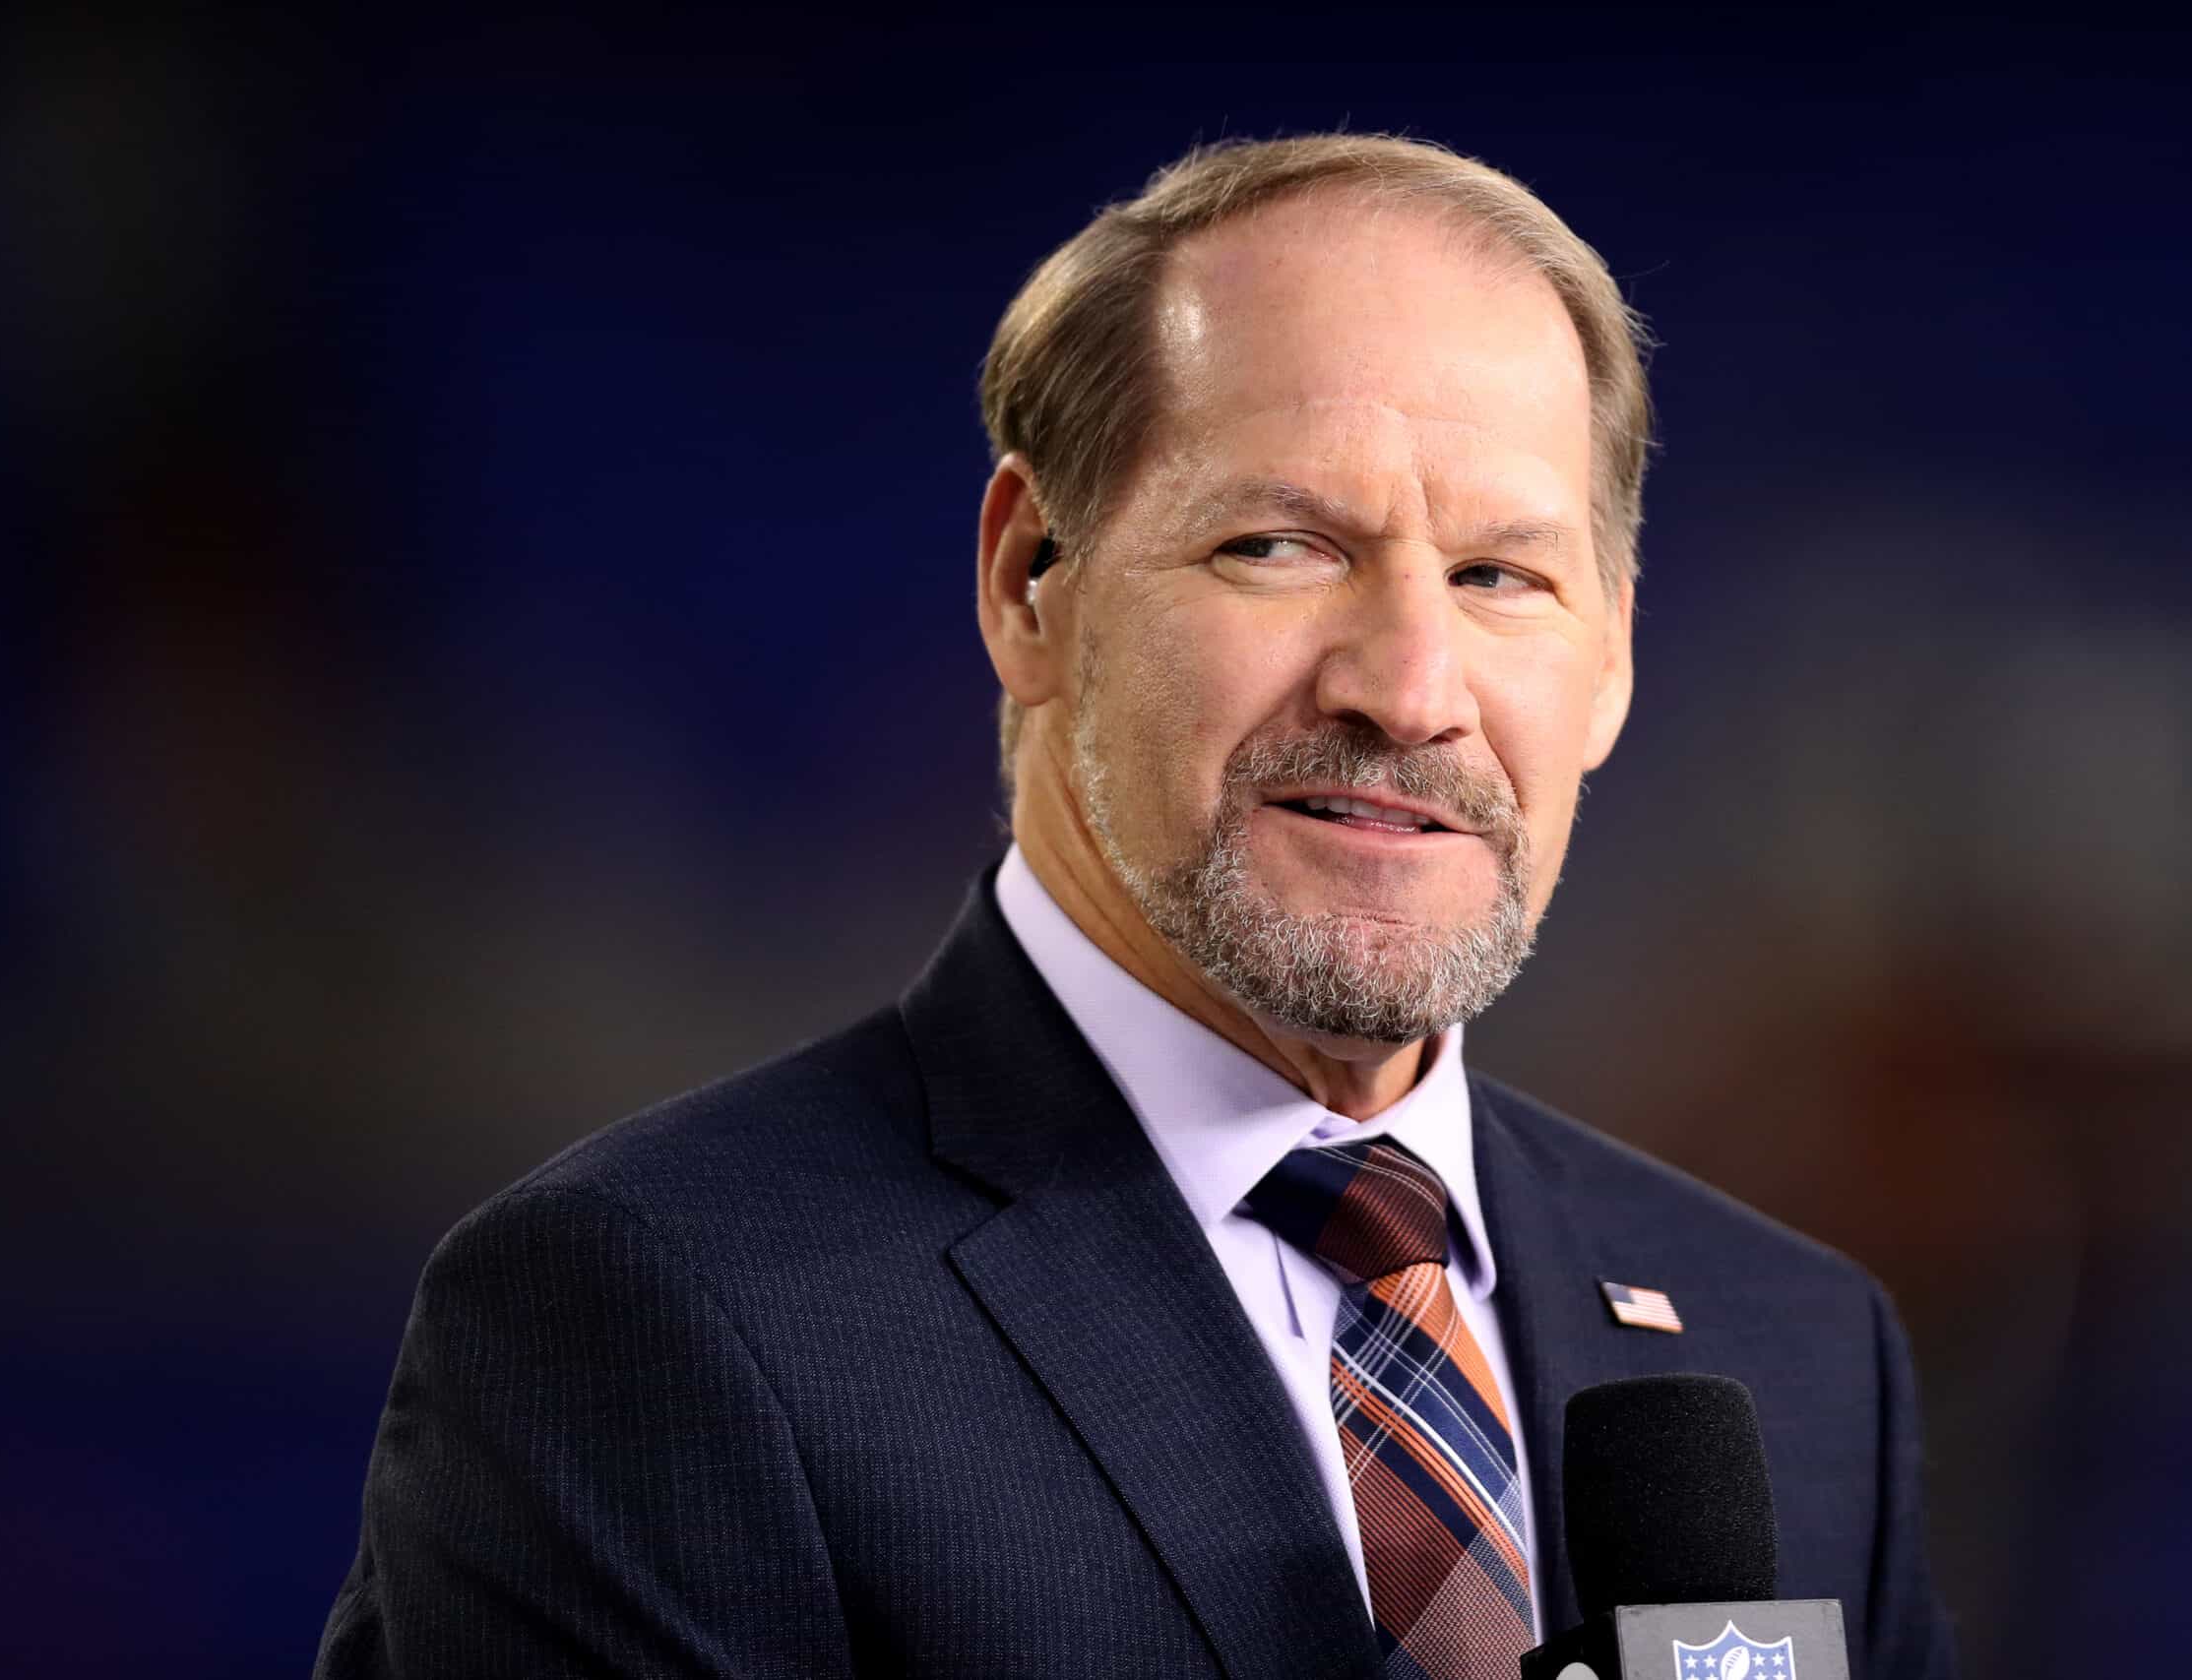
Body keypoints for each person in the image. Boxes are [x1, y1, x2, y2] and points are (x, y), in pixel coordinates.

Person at [315, 134, 1957, 1680]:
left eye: (1500, 576)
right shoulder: (649, 1312)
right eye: (1280, 545)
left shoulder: (1793, 1346)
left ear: (1610, 661)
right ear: (1033, 581)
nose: (1409, 688)